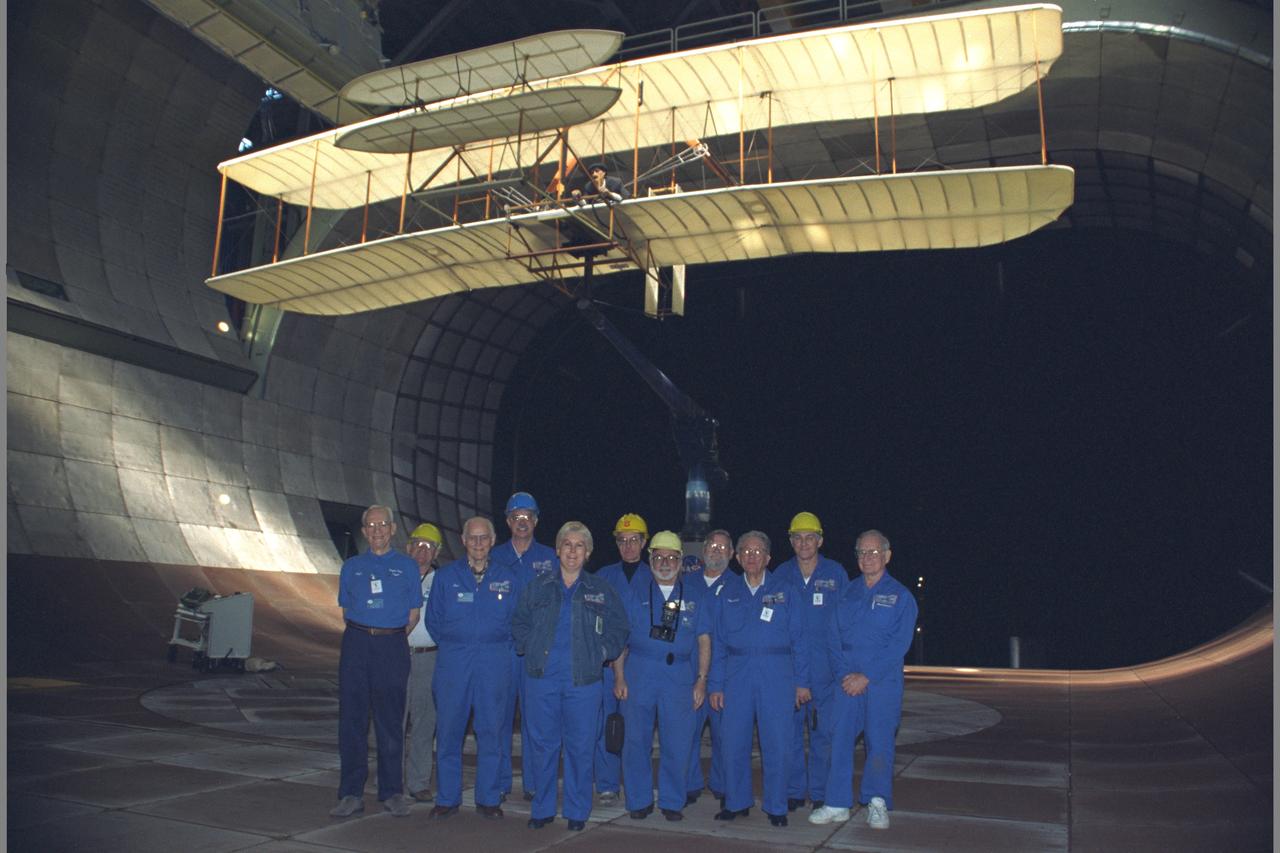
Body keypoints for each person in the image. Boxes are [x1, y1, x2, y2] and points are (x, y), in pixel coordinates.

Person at [513, 522, 629, 832]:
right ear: (557, 550)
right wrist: (529, 647)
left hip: (584, 682)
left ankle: (577, 810)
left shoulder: (600, 590)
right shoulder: (538, 586)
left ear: (588, 552)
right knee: (543, 746)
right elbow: (519, 622)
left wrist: (603, 651)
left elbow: (620, 628)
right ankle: (543, 808)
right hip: (542, 679)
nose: (573, 551)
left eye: (579, 546)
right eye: (567, 544)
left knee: (580, 747)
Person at [810, 530, 918, 831]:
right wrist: (846, 673)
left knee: (879, 742)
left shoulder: (901, 596)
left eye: (873, 552)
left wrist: (867, 675)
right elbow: (832, 636)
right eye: (861, 553)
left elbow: (899, 644)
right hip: (846, 681)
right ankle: (836, 802)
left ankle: (877, 801)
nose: (867, 558)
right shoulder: (847, 593)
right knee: (839, 739)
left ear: (887, 555)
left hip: (881, 682)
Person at [708, 530, 809, 827]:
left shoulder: (785, 590)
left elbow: (800, 640)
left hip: (777, 674)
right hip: (737, 675)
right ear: (737, 558)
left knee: (777, 743)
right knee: (732, 742)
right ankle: (736, 801)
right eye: (746, 552)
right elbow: (718, 644)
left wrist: (802, 682)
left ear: (768, 558)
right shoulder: (727, 594)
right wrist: (716, 684)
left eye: (758, 552)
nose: (752, 557)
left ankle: (776, 805)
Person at [424, 516, 523, 820]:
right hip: (454, 661)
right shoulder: (445, 577)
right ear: (463, 540)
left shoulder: (509, 577)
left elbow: (519, 621)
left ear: (493, 541)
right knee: (450, 730)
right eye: (473, 538)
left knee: (492, 731)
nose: (478, 543)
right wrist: (460, 642)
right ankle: (448, 797)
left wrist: (494, 645)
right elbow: (434, 621)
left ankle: (489, 798)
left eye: (484, 538)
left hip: (495, 662)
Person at [330, 505, 422, 819]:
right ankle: (351, 793)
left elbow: (413, 615)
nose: (377, 531)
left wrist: (387, 633)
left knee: (390, 721)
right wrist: (368, 630)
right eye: (370, 526)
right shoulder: (351, 567)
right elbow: (346, 610)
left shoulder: (407, 567)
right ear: (365, 531)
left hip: (391, 645)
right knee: (352, 721)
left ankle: (392, 792)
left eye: (382, 525)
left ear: (393, 529)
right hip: (356, 643)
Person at [613, 530, 712, 822]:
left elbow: (704, 639)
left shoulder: (695, 596)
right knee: (635, 740)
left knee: (678, 741)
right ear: (651, 559)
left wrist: (702, 679)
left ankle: (672, 800)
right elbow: (620, 639)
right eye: (659, 557)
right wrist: (619, 676)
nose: (665, 562)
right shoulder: (635, 593)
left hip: (679, 675)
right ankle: (639, 800)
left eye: (671, 557)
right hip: (640, 672)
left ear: (681, 561)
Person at [773, 511, 848, 813]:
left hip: (825, 672)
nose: (804, 543)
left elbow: (847, 622)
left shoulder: (836, 574)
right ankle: (793, 790)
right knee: (789, 734)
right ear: (790, 541)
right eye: (797, 538)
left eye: (809, 537)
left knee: (824, 735)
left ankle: (819, 791)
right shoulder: (779, 575)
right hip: (788, 671)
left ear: (820, 540)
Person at [491, 491, 557, 801]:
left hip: (535, 651)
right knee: (499, 718)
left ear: (536, 521)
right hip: (502, 651)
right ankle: (501, 781)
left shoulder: (550, 557)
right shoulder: (494, 556)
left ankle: (534, 783)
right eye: (516, 517)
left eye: (528, 517)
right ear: (507, 521)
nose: (522, 522)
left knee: (536, 719)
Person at [591, 512, 651, 804]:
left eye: (634, 540)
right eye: (623, 541)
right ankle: (607, 784)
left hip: (639, 666)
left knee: (635, 729)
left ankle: (636, 785)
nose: (628, 546)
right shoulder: (602, 576)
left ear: (644, 542)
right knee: (606, 724)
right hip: (605, 665)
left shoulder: (656, 577)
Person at [685, 529, 734, 802]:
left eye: (722, 547)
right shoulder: (685, 582)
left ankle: (723, 786)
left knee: (724, 736)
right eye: (712, 546)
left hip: (723, 675)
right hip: (688, 672)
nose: (716, 551)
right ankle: (689, 784)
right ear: (703, 550)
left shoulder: (738, 587)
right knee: (687, 732)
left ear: (731, 554)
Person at [404, 522, 443, 803]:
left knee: (424, 722)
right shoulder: (396, 575)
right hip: (396, 656)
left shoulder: (441, 581)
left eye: (429, 547)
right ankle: (390, 778)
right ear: (408, 547)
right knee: (391, 719)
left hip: (428, 657)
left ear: (437, 552)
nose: (422, 551)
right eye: (418, 544)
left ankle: (418, 781)